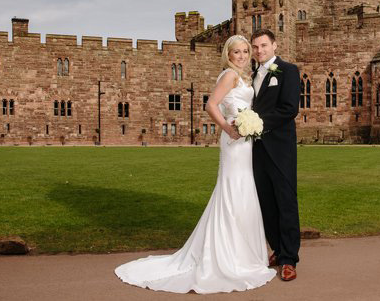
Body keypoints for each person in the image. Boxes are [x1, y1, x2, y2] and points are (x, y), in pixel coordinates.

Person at [114, 34, 276, 294]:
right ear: (228, 54)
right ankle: (229, 257)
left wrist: (249, 125)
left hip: (245, 141)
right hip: (235, 140)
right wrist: (227, 127)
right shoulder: (229, 76)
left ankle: (242, 254)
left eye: (246, 51)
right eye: (237, 52)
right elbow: (211, 105)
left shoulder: (243, 76)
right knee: (233, 190)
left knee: (242, 190)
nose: (243, 55)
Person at [250, 29, 301, 282]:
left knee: (285, 201)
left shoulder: (288, 71)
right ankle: (278, 250)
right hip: (257, 150)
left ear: (274, 45)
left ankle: (290, 258)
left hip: (280, 148)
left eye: (264, 46)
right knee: (265, 202)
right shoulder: (252, 74)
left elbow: (290, 109)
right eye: (256, 47)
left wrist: (257, 122)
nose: (260, 51)